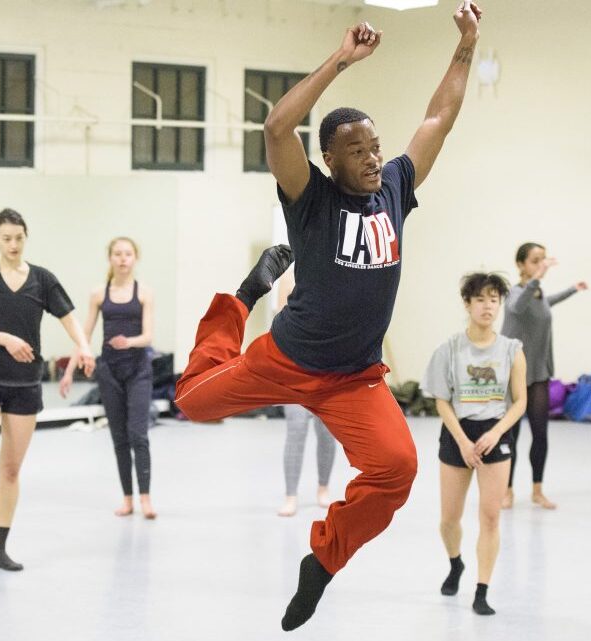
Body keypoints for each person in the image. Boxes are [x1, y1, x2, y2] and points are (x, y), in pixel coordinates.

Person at [172, 3, 483, 630]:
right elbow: (276, 129)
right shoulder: (309, 199)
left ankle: (322, 563)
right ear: (331, 161)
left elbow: (438, 117)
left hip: (354, 378)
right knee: (191, 404)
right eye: (356, 151)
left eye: (375, 147)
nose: (372, 158)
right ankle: (239, 300)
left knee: (397, 470)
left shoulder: (395, 187)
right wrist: (341, 60)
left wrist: (466, 44)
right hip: (284, 361)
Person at [0, 208, 95, 580]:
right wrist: (6, 338)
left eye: (19, 237)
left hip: (24, 385)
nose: (13, 244)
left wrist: (83, 346)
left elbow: (69, 318)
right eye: (6, 238)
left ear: (25, 237)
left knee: (11, 470)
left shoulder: (42, 280)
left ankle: (0, 549)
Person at [422, 272, 527, 615]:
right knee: (449, 519)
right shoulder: (449, 349)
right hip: (458, 433)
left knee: (491, 517)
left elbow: (520, 402)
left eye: (493, 299)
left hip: (495, 432)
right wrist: (464, 442)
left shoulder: (512, 350)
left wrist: (497, 433)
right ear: (467, 304)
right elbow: (441, 401)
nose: (487, 306)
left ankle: (482, 590)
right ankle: (456, 563)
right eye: (480, 299)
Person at [60, 237, 157, 519]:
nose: (123, 259)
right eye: (118, 254)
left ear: (135, 258)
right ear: (110, 258)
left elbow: (149, 335)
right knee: (119, 437)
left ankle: (146, 498)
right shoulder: (98, 294)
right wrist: (68, 372)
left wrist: (130, 342)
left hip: (138, 370)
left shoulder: (144, 293)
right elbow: (85, 335)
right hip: (109, 372)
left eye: (128, 254)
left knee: (138, 434)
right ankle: (127, 499)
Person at [500, 242, 587, 510]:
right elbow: (517, 307)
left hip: (538, 373)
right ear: (521, 265)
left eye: (543, 260)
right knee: (510, 434)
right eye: (535, 261)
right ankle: (507, 490)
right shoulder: (516, 293)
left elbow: (545, 303)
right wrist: (537, 278)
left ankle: (537, 490)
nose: (541, 265)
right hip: (515, 374)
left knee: (541, 433)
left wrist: (573, 289)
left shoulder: (537, 294)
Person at [273, 269, 335, 518]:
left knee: (326, 431)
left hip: (327, 366)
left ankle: (323, 487)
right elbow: (280, 320)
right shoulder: (289, 278)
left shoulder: (332, 273)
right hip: (295, 365)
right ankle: (291, 494)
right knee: (296, 428)